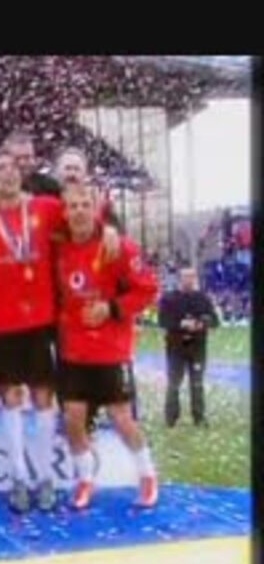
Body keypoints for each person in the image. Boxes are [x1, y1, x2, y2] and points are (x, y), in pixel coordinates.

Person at [0, 150, 119, 513]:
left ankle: (45, 477)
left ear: (21, 174)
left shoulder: (46, 207)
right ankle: (18, 478)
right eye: (0, 169)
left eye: (13, 168)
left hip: (41, 318)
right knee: (10, 398)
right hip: (2, 320)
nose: (8, 175)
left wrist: (108, 226)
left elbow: (81, 213)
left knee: (42, 399)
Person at [56, 185, 159, 508]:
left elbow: (148, 290)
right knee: (73, 419)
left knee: (122, 418)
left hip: (111, 350)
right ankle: (86, 479)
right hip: (74, 349)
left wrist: (111, 308)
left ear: (96, 208)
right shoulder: (59, 248)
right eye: (73, 206)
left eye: (85, 204)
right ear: (64, 212)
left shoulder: (119, 247)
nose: (79, 211)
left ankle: (147, 475)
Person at [158, 266, 219, 427]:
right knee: (174, 383)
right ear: (179, 279)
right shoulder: (169, 298)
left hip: (197, 347)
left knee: (197, 383)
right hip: (176, 347)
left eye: (192, 277)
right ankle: (171, 418)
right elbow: (162, 321)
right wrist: (180, 324)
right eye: (186, 277)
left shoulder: (203, 298)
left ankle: (199, 417)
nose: (189, 280)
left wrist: (202, 324)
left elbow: (215, 321)